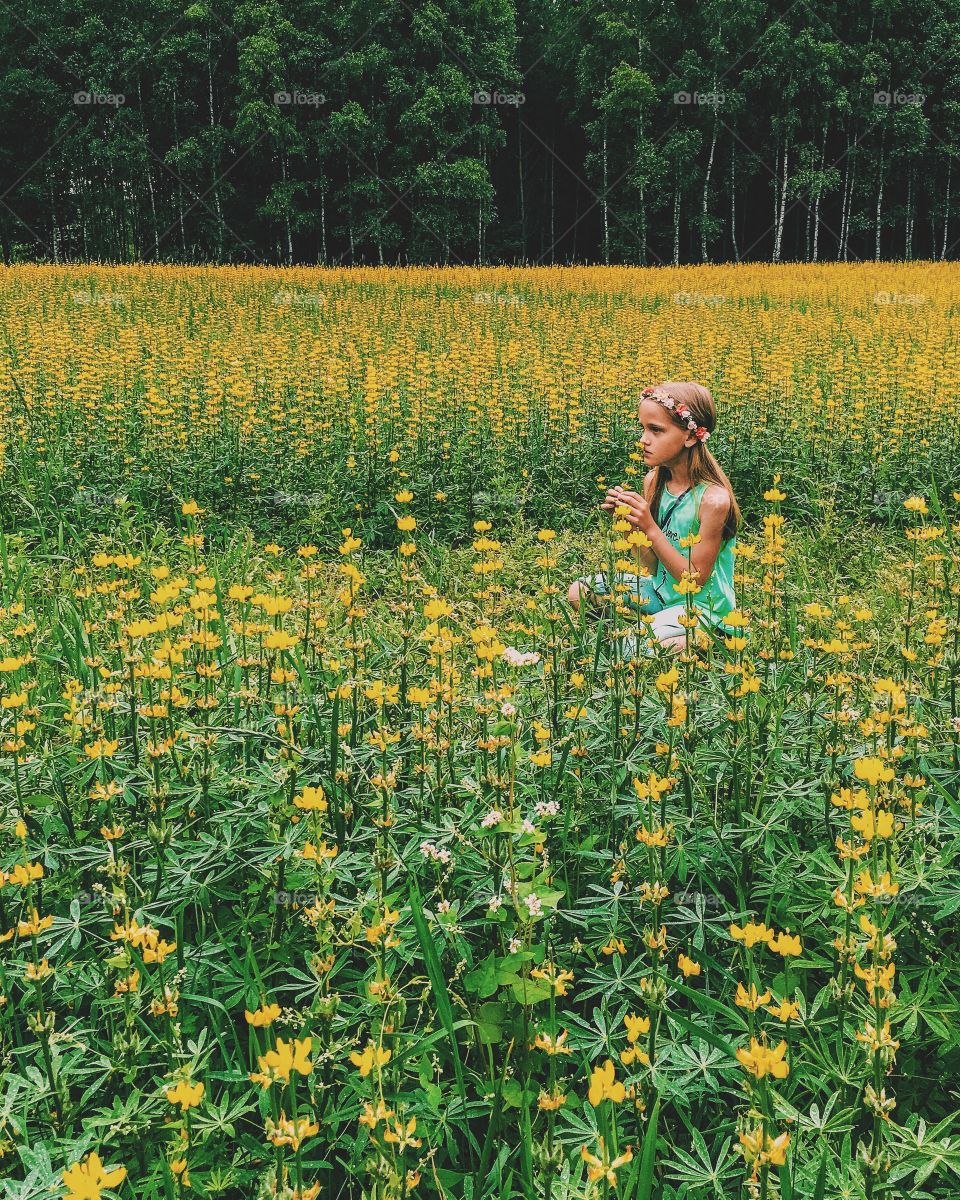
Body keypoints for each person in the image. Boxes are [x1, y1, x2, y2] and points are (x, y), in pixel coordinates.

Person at [567, 380, 741, 654]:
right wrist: (629, 524)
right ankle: (653, 633)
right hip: (661, 594)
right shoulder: (654, 481)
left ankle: (706, 639)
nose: (643, 440)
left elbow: (693, 581)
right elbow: (649, 565)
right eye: (643, 428)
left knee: (627, 648)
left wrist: (650, 527)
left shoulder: (713, 500)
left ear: (691, 436)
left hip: (703, 609)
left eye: (656, 430)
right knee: (579, 592)